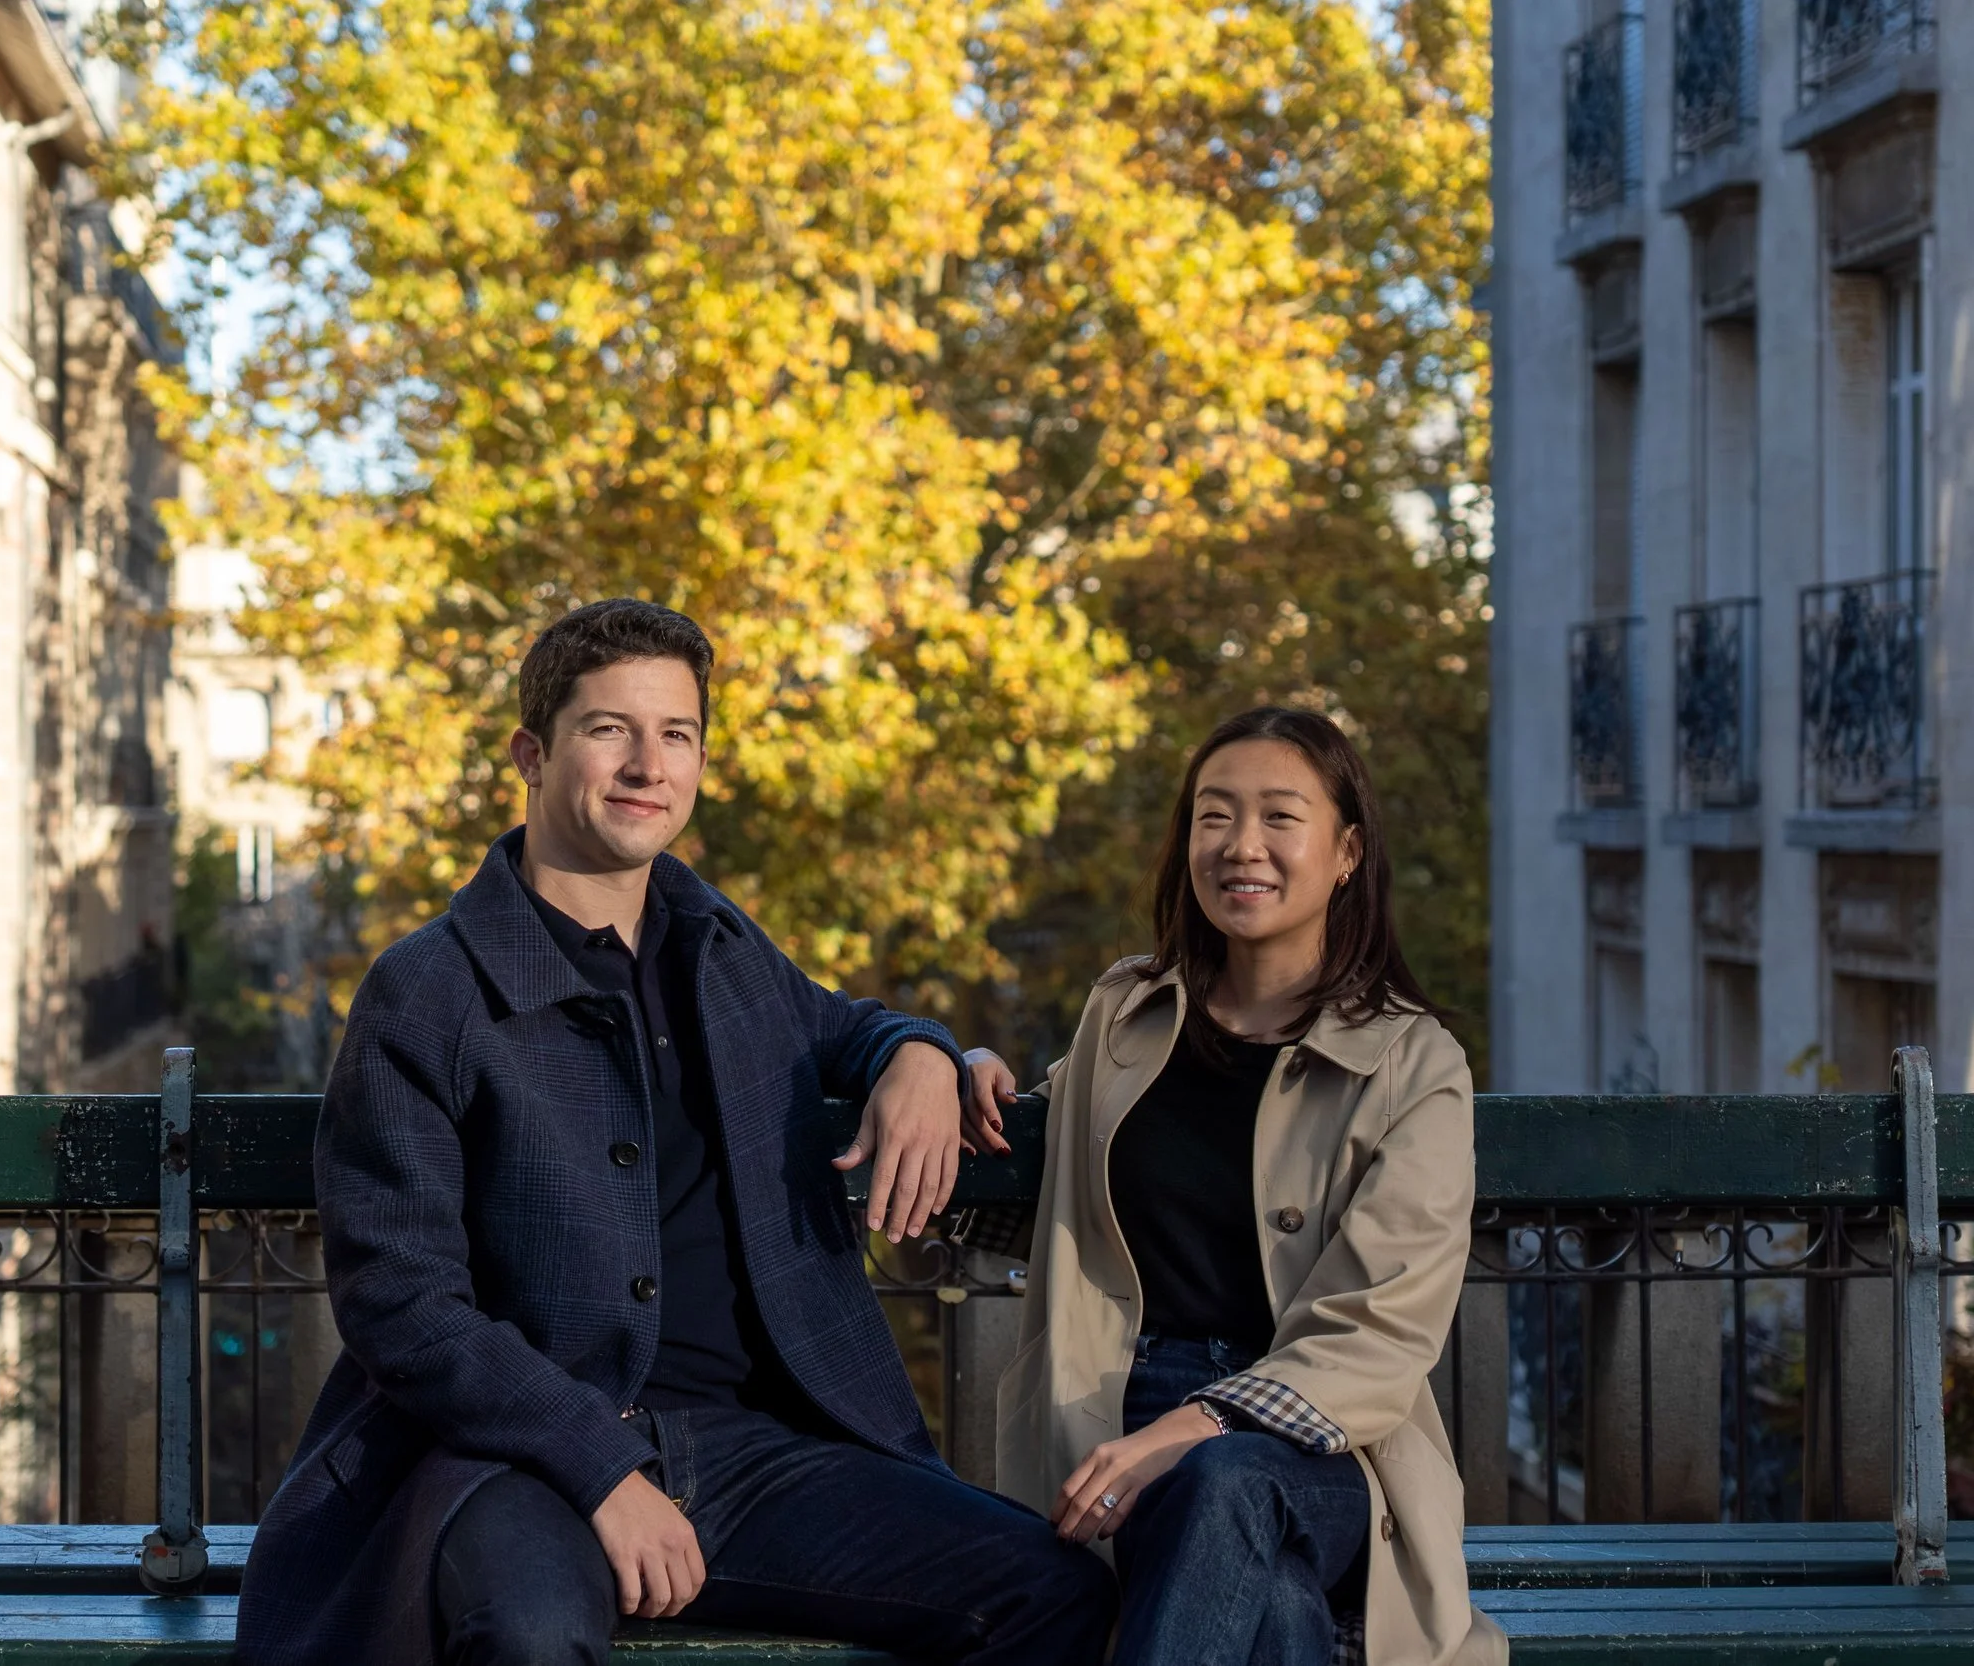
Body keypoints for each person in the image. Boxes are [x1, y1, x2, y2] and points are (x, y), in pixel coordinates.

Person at [239, 599, 1113, 1666]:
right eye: (610, 729)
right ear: (531, 751)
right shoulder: (428, 989)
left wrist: (922, 1052)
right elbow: (399, 1302)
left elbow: (848, 1023)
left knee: (1056, 1589)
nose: (648, 763)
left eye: (677, 734)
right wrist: (599, 1465)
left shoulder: (717, 942)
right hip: (513, 1455)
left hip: (760, 1452)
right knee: (524, 1634)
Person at [967, 706, 1507, 1666]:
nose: (1240, 846)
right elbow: (1032, 1186)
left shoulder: (1412, 1063)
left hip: (1319, 1452)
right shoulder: (1125, 1014)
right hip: (1107, 1414)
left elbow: (1381, 1327)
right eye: (1214, 817)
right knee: (1279, 1617)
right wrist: (940, 1062)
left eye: (1278, 817)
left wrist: (1200, 1423)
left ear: (1346, 851)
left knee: (1224, 1487)